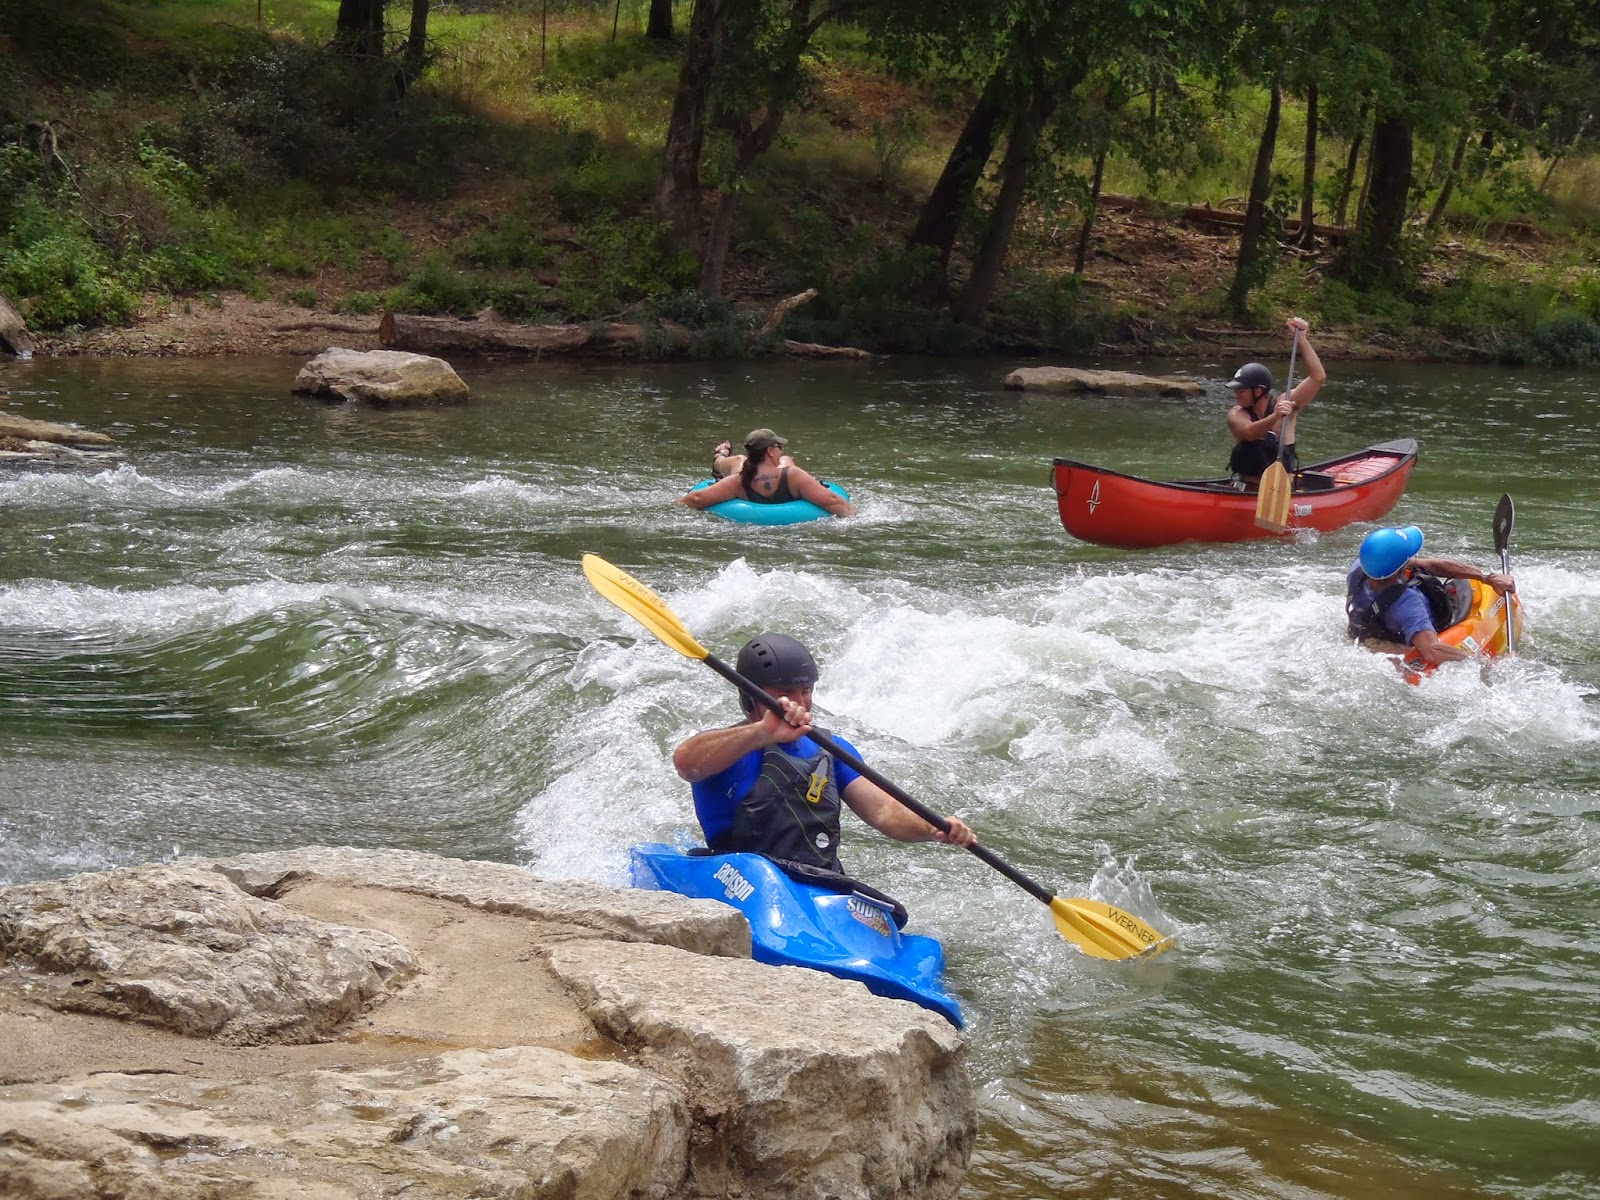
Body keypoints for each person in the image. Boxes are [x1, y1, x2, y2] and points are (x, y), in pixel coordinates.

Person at [671, 633, 977, 879]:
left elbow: (885, 811)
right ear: (751, 696)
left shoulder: (829, 751)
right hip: (741, 879)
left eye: (806, 690)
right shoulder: (730, 746)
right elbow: (686, 762)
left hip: (813, 880)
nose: (801, 701)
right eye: (786, 692)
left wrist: (932, 828)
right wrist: (762, 733)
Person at [1345, 525, 1516, 666]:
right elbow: (1433, 651)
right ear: (1401, 568)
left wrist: (1485, 577)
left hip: (1375, 631)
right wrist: (1488, 664)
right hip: (1413, 633)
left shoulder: (1360, 568)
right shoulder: (1407, 603)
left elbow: (1429, 565)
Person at [1226, 316, 1327, 485]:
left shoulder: (1286, 402)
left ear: (1258, 391)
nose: (1237, 394)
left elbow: (1318, 377)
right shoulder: (1236, 414)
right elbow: (1250, 433)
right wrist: (1275, 417)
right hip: (1246, 488)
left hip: (1280, 494)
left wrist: (1301, 339)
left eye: (1241, 390)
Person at [678, 428, 856, 517]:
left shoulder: (737, 482)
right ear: (770, 451)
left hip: (747, 477)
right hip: (787, 486)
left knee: (741, 461)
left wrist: (673, 505)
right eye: (779, 447)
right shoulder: (793, 476)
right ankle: (719, 458)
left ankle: (722, 456)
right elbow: (832, 501)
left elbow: (696, 499)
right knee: (746, 461)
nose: (781, 450)